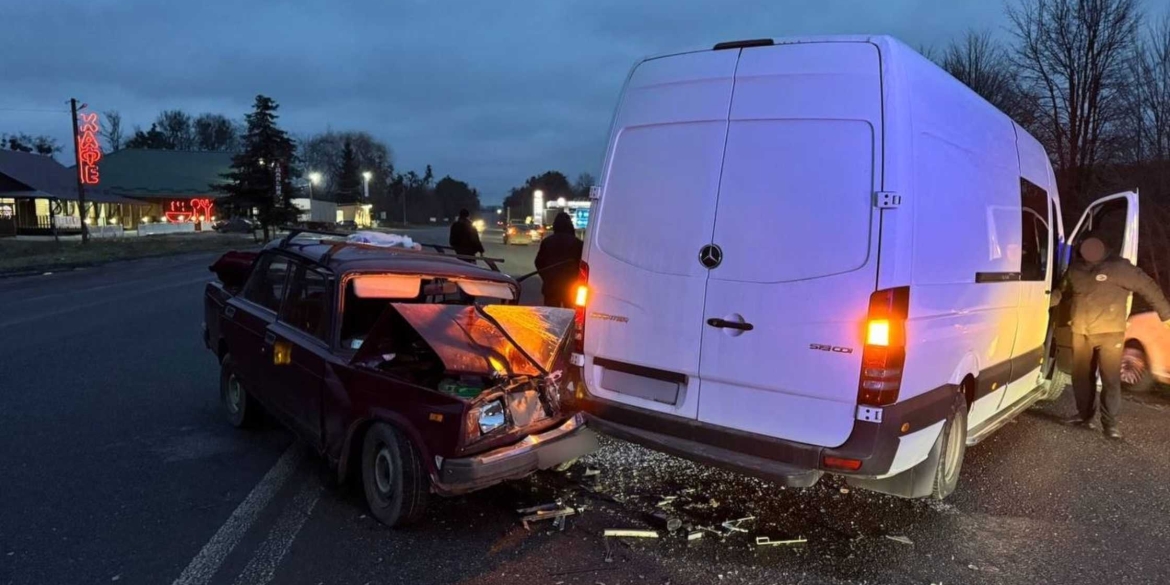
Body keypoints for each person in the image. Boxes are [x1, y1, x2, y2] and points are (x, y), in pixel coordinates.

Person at [1057, 237, 1170, 439]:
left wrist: (1166, 314)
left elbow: (1148, 286)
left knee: (1110, 378)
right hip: (1081, 331)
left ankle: (1110, 424)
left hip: (1110, 333)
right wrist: (1046, 299)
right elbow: (1063, 290)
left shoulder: (1119, 267)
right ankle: (1084, 416)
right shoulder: (1075, 269)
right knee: (1082, 377)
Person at [534, 211, 583, 307]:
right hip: (571, 287)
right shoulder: (578, 243)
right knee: (569, 315)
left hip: (551, 287)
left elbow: (539, 262)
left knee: (551, 317)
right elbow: (582, 264)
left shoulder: (547, 242)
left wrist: (546, 277)